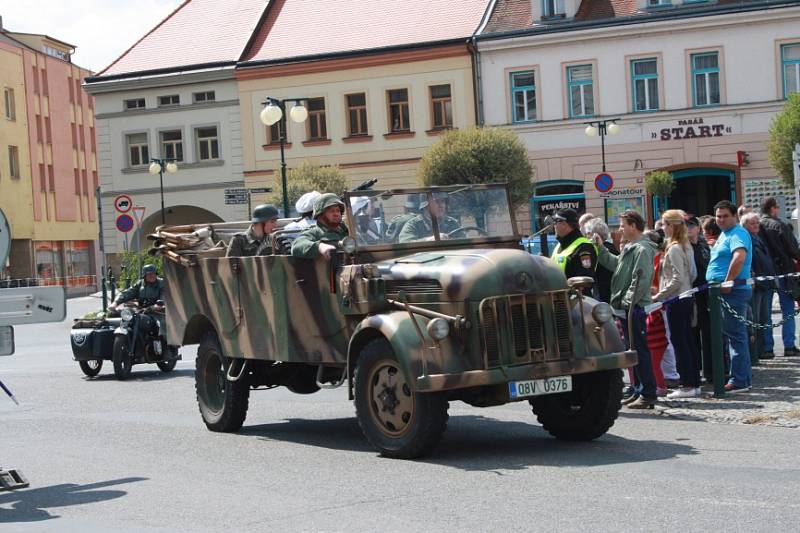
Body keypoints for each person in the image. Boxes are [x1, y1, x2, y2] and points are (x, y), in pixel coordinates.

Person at [595, 210, 658, 409]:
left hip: (634, 308)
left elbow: (640, 280)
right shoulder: (631, 247)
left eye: (622, 225)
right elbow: (617, 266)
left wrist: (628, 302)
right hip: (627, 308)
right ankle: (638, 389)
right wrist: (601, 250)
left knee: (639, 351)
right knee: (632, 350)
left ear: (632, 225)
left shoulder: (642, 249)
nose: (620, 229)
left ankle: (648, 393)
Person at [653, 210, 700, 399]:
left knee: (681, 342)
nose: (662, 228)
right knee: (688, 341)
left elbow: (676, 280)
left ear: (672, 226)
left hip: (676, 299)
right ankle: (693, 383)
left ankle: (687, 385)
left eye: (664, 224)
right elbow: (693, 274)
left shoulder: (673, 248)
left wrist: (659, 296)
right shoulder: (686, 245)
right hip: (686, 297)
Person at [706, 200, 753, 393]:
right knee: (733, 335)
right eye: (718, 216)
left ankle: (739, 380)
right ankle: (741, 377)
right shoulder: (725, 234)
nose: (721, 219)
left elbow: (739, 257)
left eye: (725, 216)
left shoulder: (737, 233)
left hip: (732, 291)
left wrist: (727, 281)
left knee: (736, 336)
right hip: (725, 291)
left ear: (735, 216)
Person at [758, 196, 800, 357]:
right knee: (788, 308)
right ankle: (789, 345)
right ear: (773, 208)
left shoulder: (757, 226)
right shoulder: (779, 225)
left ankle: (768, 348)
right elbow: (793, 249)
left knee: (766, 312)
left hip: (764, 273)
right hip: (784, 271)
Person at [741, 211, 777, 361]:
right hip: (756, 285)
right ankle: (756, 352)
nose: (756, 226)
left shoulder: (758, 238)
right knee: (755, 319)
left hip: (766, 284)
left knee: (765, 319)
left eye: (757, 223)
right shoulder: (747, 240)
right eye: (752, 223)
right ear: (745, 226)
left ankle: (764, 349)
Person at [685, 214, 714, 381]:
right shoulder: (683, 246)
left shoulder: (703, 244)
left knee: (709, 334)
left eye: (692, 225)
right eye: (686, 225)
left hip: (706, 295)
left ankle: (711, 372)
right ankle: (696, 371)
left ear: (698, 227)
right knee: (693, 335)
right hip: (690, 295)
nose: (689, 228)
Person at [643, 230, 668, 397]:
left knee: (658, 352)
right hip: (654, 303)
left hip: (658, 304)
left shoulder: (659, 258)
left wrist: (654, 295)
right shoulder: (653, 259)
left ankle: (661, 384)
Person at [109, 264, 166, 332]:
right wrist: (115, 303)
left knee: (162, 326)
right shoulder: (140, 284)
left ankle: (163, 342)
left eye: (153, 273)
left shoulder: (162, 283)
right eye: (149, 274)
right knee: (121, 319)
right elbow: (128, 293)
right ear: (144, 275)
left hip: (158, 313)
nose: (152, 275)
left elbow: (164, 296)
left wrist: (158, 305)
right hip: (142, 311)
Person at [291, 193, 349, 260]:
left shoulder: (348, 230)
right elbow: (297, 245)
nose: (336, 214)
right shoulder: (315, 232)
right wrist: (319, 246)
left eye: (338, 211)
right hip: (331, 269)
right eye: (331, 211)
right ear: (320, 214)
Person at [550, 208, 597, 280]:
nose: (554, 226)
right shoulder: (560, 245)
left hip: (572, 291)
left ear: (564, 224)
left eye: (555, 222)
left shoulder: (584, 247)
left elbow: (584, 280)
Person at [584, 218, 616, 303]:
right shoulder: (612, 248)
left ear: (595, 235)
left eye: (587, 234)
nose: (585, 237)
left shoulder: (602, 250)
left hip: (604, 298)